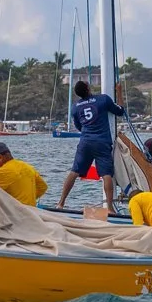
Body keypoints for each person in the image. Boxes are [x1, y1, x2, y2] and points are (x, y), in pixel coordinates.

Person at [55, 81, 127, 211]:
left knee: (74, 171)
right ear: (88, 88)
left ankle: (60, 203)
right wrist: (119, 91)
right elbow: (120, 111)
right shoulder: (103, 99)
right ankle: (110, 209)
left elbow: (79, 126)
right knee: (106, 175)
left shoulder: (75, 107)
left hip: (85, 141)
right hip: (102, 142)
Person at [0, 142, 47, 206]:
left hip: (14, 214)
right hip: (31, 211)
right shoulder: (27, 166)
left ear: (0, 157)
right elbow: (43, 187)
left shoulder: (3, 171)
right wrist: (29, 199)